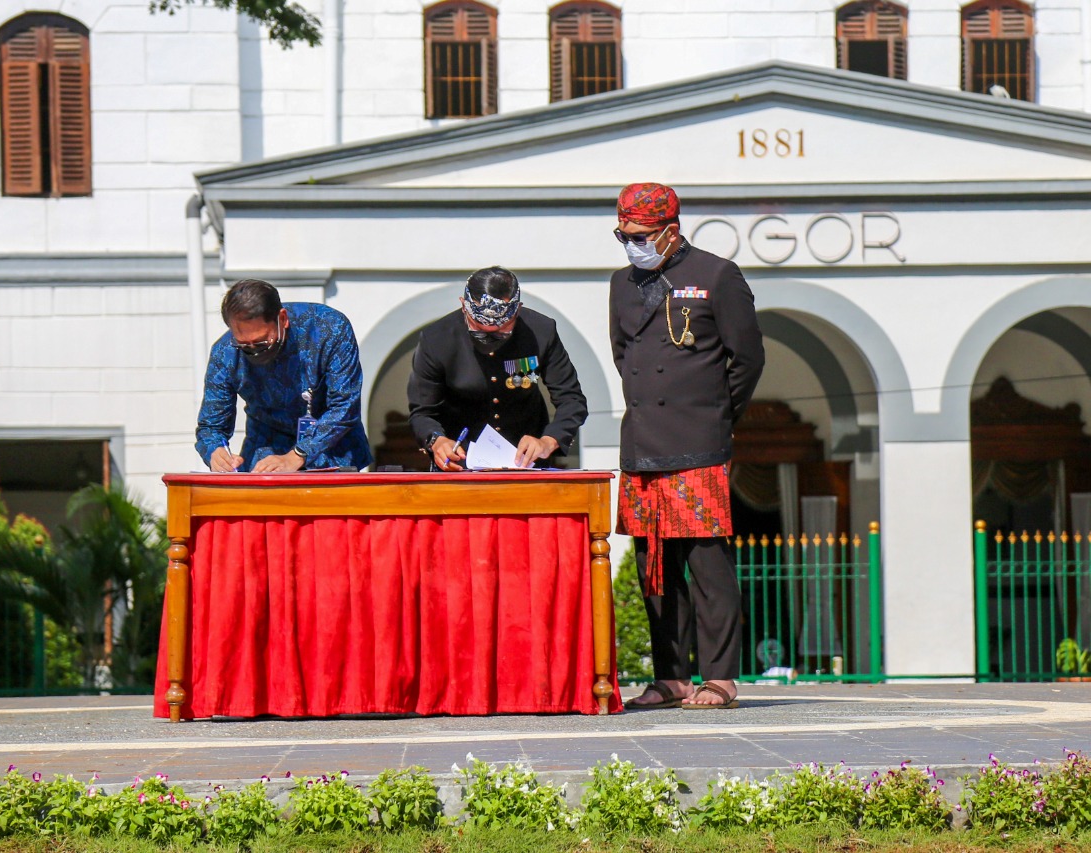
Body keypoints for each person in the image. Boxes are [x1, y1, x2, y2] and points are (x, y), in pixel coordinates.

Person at [609, 183, 764, 709]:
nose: (631, 245)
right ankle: (670, 677)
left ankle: (720, 676)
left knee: (707, 565)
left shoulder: (717, 275)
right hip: (642, 443)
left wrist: (716, 415)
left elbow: (748, 359)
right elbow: (623, 355)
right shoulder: (621, 283)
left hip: (698, 442)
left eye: (640, 236)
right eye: (623, 236)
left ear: (670, 231)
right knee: (654, 568)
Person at [408, 266, 588, 471]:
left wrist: (549, 441)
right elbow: (422, 412)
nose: (489, 339)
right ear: (464, 307)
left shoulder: (541, 331)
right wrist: (436, 441)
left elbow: (571, 399)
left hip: (525, 462)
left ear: (517, 311)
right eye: (479, 330)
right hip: (460, 461)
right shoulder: (436, 339)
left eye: (501, 332)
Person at [196, 279, 373, 473]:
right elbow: (211, 426)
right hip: (266, 452)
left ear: (282, 319)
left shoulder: (329, 328)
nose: (254, 351)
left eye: (262, 342)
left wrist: (298, 455)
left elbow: (344, 405)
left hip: (332, 449)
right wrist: (215, 451)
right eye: (244, 345)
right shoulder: (225, 353)